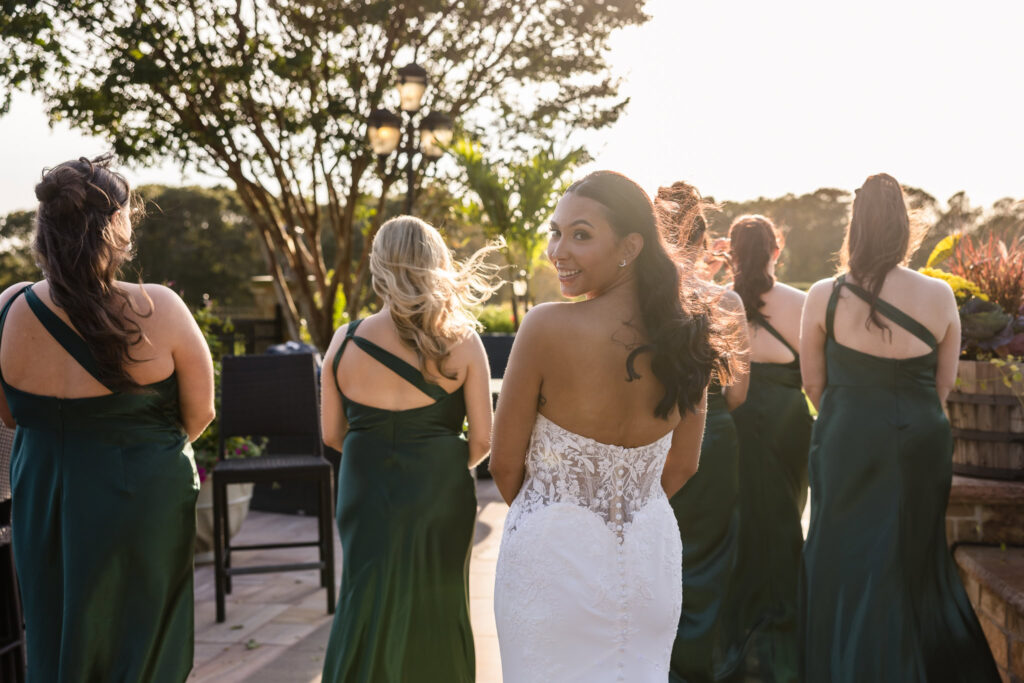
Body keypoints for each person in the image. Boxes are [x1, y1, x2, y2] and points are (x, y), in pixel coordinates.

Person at [490, 171, 736, 682]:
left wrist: (555, 519)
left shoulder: (546, 327)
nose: (558, 251)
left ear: (630, 246)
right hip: (648, 555)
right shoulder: (690, 335)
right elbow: (684, 465)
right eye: (556, 232)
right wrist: (625, 514)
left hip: (551, 562)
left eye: (580, 235)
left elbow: (504, 464)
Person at [0, 155, 215, 681]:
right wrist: (137, 448)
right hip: (142, 497)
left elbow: (8, 416)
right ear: (117, 226)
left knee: (57, 630)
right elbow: (201, 412)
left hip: (45, 497)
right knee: (141, 642)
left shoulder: (7, 308)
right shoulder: (160, 308)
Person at [799, 173, 1000, 682]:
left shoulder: (822, 295)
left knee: (842, 555)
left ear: (856, 227)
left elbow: (813, 384)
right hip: (919, 438)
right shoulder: (939, 295)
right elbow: (943, 386)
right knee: (913, 557)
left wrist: (855, 416)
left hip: (847, 438)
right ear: (905, 229)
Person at [319, 216, 499, 683]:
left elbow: (332, 435)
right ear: (436, 263)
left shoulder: (345, 340)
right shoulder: (462, 342)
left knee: (364, 595)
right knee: (438, 602)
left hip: (365, 484)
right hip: (439, 489)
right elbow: (484, 440)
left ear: (379, 266)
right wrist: (438, 464)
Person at [655, 181, 750, 683]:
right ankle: (696, 667)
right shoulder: (725, 301)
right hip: (712, 440)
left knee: (655, 551)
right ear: (703, 239)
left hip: (653, 436)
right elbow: (737, 395)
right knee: (708, 558)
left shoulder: (641, 299)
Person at [717, 215, 812, 683]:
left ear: (730, 253)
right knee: (782, 520)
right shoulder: (802, 303)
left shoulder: (717, 303)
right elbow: (816, 379)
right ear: (777, 250)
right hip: (787, 426)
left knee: (736, 524)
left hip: (732, 424)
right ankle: (784, 640)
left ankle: (733, 639)